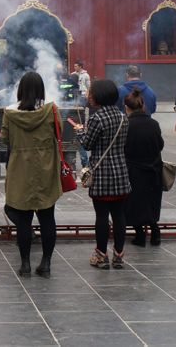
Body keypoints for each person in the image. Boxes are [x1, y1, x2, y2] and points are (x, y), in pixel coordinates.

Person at [0, 72, 61, 276]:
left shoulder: (10, 113)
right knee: (47, 218)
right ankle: (46, 262)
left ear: (20, 90)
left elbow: (5, 139)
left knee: (24, 220)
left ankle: (25, 263)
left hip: (20, 170)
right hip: (46, 169)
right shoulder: (51, 110)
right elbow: (58, 132)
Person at [77, 79, 130, 269]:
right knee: (119, 216)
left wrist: (80, 132)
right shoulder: (123, 117)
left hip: (102, 173)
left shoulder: (96, 118)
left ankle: (101, 255)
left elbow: (87, 144)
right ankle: (119, 255)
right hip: (121, 172)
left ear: (99, 96)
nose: (89, 96)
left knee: (101, 216)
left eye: (91, 93)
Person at [122, 88, 164, 247]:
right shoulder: (154, 124)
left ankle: (140, 235)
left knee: (135, 204)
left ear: (126, 107)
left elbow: (124, 148)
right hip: (154, 170)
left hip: (134, 171)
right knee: (152, 202)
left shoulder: (127, 125)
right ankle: (155, 232)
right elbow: (160, 145)